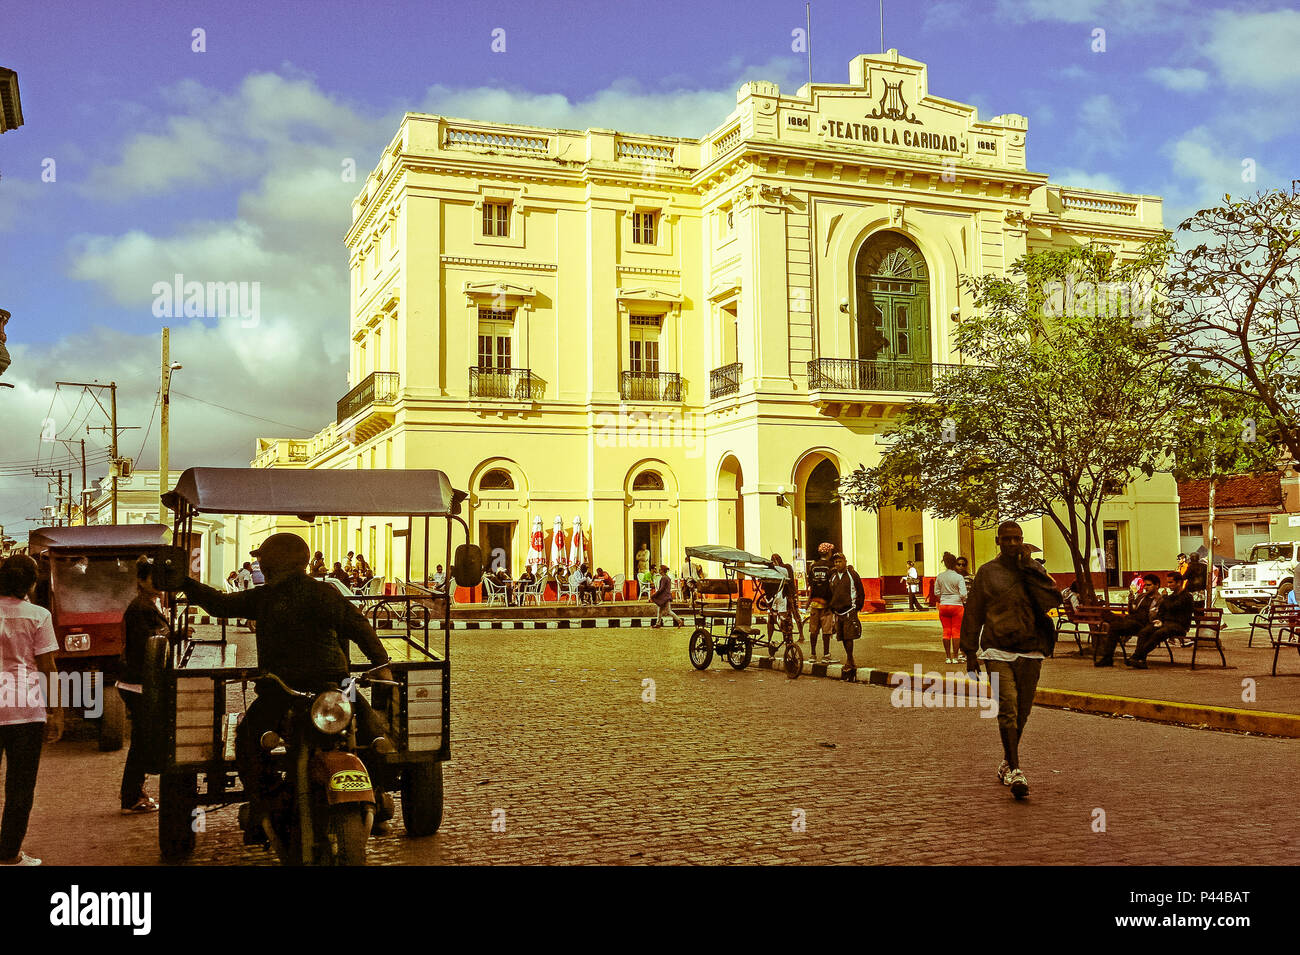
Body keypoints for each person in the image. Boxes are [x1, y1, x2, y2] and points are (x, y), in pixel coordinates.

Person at [176, 533, 394, 833]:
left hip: (283, 690)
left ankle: (266, 801)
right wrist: (381, 666)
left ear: (272, 563)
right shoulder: (325, 592)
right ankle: (376, 795)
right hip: (337, 687)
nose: (260, 566)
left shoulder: (266, 596)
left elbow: (219, 605)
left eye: (263, 560)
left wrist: (185, 583)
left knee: (247, 742)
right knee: (376, 735)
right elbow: (360, 627)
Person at [960, 521, 1062, 801]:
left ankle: (1007, 760)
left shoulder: (1033, 569)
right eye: (1007, 539)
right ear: (998, 541)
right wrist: (970, 652)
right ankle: (1016, 770)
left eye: (1017, 539)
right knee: (1008, 707)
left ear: (1022, 540)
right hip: (997, 649)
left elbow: (1052, 599)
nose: (1012, 544)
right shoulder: (987, 572)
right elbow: (973, 612)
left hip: (1031, 648)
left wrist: (1029, 566)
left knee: (1023, 712)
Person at [0, 555, 63, 866]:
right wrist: (57, 712)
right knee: (20, 786)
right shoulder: (38, 615)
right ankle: (9, 854)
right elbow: (47, 667)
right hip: (25, 708)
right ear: (31, 583)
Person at [118, 558, 169, 814]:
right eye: (153, 578)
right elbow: (147, 643)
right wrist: (172, 634)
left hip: (139, 682)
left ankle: (134, 793)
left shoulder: (151, 604)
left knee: (142, 740)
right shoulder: (140, 608)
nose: (159, 583)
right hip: (137, 683)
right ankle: (131, 797)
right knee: (141, 742)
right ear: (140, 580)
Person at [1126, 573, 1195, 669]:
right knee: (1144, 631)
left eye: (1171, 582)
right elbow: (1162, 611)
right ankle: (1141, 660)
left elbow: (1173, 607)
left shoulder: (1186, 597)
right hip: (1165, 623)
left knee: (1159, 633)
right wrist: (1159, 620)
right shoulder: (1170, 597)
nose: (1168, 585)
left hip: (1179, 626)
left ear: (1179, 583)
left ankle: (1136, 656)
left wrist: (1165, 598)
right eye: (1168, 582)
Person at [1095, 574, 1161, 667]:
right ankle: (1107, 658)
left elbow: (1155, 617)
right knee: (1109, 617)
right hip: (1131, 620)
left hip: (1142, 624)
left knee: (1115, 626)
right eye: (1145, 585)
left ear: (1157, 585)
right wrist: (1130, 603)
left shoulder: (1159, 600)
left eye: (1148, 585)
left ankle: (1107, 658)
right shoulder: (1142, 596)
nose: (1146, 588)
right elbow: (1132, 611)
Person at [828, 552, 865, 670]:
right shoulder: (833, 576)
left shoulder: (852, 575)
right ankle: (850, 659)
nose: (838, 564)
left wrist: (857, 607)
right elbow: (831, 593)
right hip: (838, 612)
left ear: (845, 562)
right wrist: (832, 608)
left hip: (850, 610)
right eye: (836, 562)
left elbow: (860, 591)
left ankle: (849, 659)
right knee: (843, 637)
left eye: (840, 561)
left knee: (849, 636)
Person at [934, 551, 968, 664]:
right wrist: (960, 600)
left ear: (944, 563)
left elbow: (936, 592)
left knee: (946, 631)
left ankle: (948, 657)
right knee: (956, 632)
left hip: (944, 605)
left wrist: (943, 598)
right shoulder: (958, 577)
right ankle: (955, 657)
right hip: (957, 605)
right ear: (954, 563)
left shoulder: (940, 576)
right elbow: (963, 594)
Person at [805, 542, 835, 661]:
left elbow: (811, 585)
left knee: (813, 630)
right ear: (828, 552)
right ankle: (826, 655)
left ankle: (813, 654)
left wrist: (808, 601)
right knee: (826, 631)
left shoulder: (813, 567)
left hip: (814, 603)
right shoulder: (831, 567)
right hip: (827, 604)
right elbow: (833, 585)